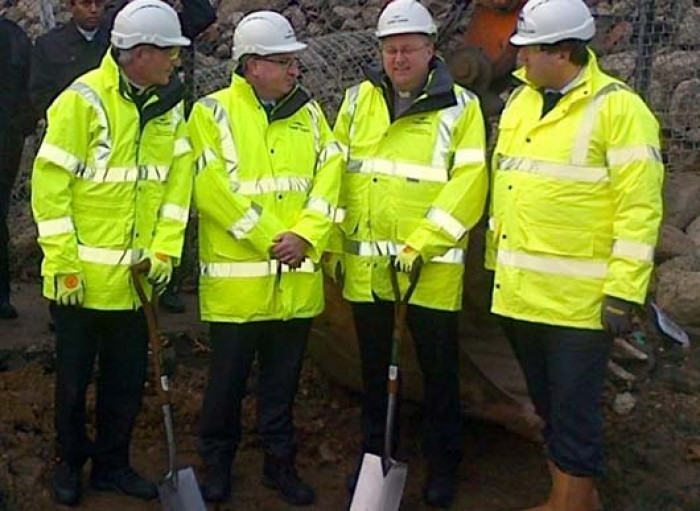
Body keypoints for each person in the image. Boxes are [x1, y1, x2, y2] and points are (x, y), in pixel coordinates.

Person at [485, 0, 664, 509]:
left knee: (574, 416)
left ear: (563, 52)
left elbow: (639, 209)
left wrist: (623, 292)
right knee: (547, 408)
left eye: (529, 50)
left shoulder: (619, 110)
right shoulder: (522, 102)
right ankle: (571, 501)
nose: (519, 59)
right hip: (519, 295)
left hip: (578, 305)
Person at [31, 0, 193, 506]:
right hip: (80, 284)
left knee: (125, 381)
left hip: (135, 284)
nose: (176, 61)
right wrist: (62, 264)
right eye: (169, 51)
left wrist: (164, 255)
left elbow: (176, 191)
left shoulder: (169, 109)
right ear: (140, 53)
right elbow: (50, 188)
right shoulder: (82, 102)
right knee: (73, 384)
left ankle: (112, 465)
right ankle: (68, 464)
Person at [332, 0, 489, 507]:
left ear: (431, 50)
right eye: (390, 49)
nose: (398, 59)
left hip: (428, 273)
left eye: (408, 49)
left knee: (439, 373)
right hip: (367, 269)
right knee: (375, 370)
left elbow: (469, 184)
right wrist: (333, 246)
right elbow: (334, 173)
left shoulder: (460, 107)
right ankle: (376, 456)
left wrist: (422, 243)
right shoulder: (358, 101)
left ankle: (444, 464)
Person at [188, 10, 342, 506]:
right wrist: (274, 240)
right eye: (284, 61)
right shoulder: (211, 114)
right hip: (239, 291)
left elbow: (329, 180)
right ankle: (217, 465)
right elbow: (212, 191)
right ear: (253, 66)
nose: (296, 69)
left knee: (282, 387)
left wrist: (307, 236)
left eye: (294, 61)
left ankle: (280, 465)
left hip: (293, 286)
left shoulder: (310, 116)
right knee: (226, 386)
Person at [104, 0, 217, 314]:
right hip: (93, 274)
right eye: (169, 51)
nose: (175, 59)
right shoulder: (127, 20)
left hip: (165, 100)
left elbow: (202, 16)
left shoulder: (166, 20)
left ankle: (167, 286)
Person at [30, 0, 111, 119]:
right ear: (71, 6)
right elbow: (40, 93)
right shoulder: (50, 45)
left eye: (98, 4)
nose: (93, 10)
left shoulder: (115, 41)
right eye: (86, 4)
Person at [0, 11, 31, 319]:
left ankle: (1, 296)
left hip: (4, 140)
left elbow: (27, 88)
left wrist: (17, 128)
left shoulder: (12, 37)